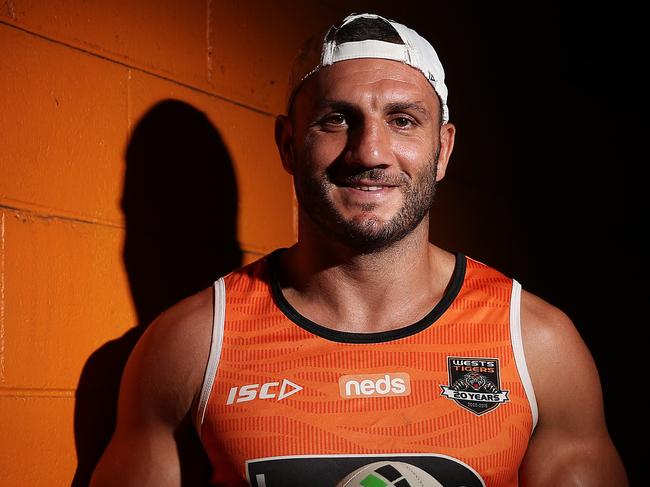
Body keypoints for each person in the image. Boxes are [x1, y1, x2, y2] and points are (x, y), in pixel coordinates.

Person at [90, 12, 628, 487]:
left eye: (402, 120)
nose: (369, 150)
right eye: (336, 119)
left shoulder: (536, 345)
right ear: (287, 144)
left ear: (442, 150)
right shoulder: (191, 345)